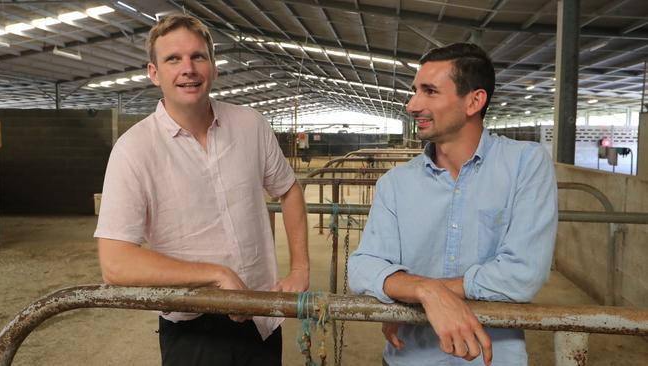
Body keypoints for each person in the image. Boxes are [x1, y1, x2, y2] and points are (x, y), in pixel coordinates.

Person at [94, 14, 309, 366]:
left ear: (214, 66)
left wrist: (300, 268)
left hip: (261, 318)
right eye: (173, 59)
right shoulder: (134, 149)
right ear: (153, 73)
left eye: (198, 56)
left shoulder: (251, 125)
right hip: (192, 329)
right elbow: (115, 263)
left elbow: (289, 190)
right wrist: (215, 274)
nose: (188, 68)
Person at [348, 43, 557, 366]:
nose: (412, 104)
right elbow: (361, 267)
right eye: (415, 91)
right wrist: (426, 293)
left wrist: (412, 291)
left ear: (474, 100)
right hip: (410, 358)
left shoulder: (525, 165)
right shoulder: (396, 183)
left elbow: (521, 276)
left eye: (429, 91)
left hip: (491, 360)